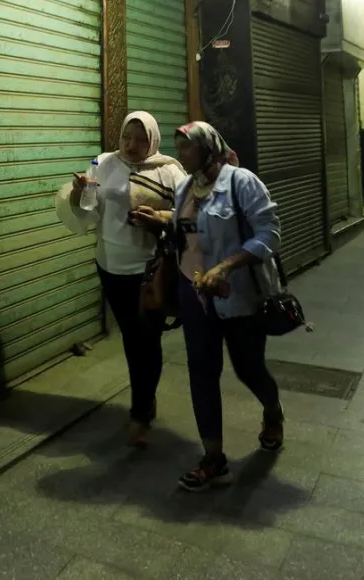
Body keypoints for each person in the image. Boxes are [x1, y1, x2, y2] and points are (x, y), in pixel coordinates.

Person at [133, 120, 284, 491]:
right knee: (201, 372)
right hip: (194, 294)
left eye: (186, 147)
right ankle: (214, 459)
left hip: (238, 297)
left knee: (249, 369)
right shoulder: (186, 187)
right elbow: (187, 229)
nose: (180, 154)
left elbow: (270, 232)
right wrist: (161, 220)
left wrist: (226, 266)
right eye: (178, 147)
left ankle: (272, 410)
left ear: (207, 147)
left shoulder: (241, 182)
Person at [56, 112, 186, 448]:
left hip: (150, 269)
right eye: (127, 136)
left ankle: (140, 413)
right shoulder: (102, 163)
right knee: (131, 337)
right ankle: (146, 398)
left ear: (153, 140)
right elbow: (88, 212)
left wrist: (159, 218)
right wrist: (79, 192)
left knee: (148, 337)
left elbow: (189, 212)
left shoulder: (169, 170)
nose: (131, 145)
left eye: (141, 139)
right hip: (110, 264)